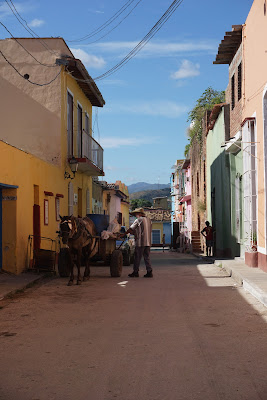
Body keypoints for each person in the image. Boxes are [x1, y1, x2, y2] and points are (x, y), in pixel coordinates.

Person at [125, 207, 153, 278]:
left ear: (139, 214)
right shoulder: (149, 220)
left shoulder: (138, 220)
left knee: (137, 257)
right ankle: (149, 272)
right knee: (147, 257)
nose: (135, 215)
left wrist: (123, 234)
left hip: (140, 242)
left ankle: (135, 272)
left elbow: (131, 228)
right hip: (148, 242)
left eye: (136, 214)